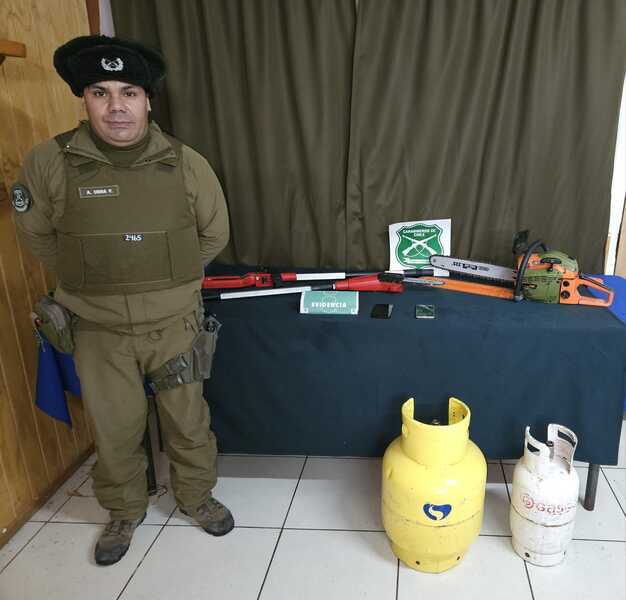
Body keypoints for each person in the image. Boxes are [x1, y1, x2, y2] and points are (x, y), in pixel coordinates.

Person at [11, 35, 233, 566]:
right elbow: (36, 235)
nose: (116, 106)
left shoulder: (185, 162)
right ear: (84, 99)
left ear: (147, 100)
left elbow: (214, 234)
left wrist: (169, 283)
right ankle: (123, 510)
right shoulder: (49, 161)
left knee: (188, 422)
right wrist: (91, 277)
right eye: (101, 92)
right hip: (98, 330)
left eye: (129, 92)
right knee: (115, 430)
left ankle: (196, 497)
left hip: (175, 326)